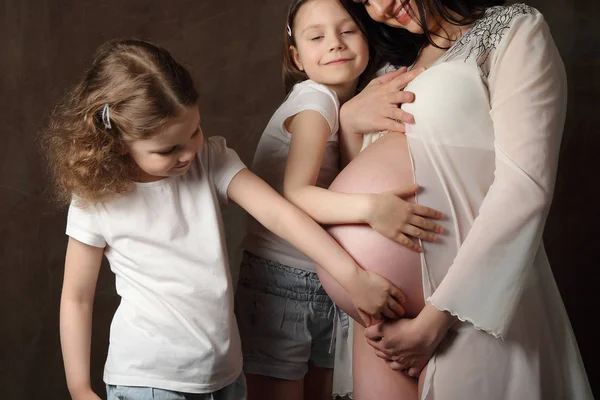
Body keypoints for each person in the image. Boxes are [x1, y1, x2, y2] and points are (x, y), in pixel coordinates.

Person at [42, 38, 408, 400]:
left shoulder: (211, 159)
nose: (188, 153)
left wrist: (353, 277)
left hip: (225, 376)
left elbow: (280, 215)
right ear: (119, 142)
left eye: (194, 132)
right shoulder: (96, 198)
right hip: (147, 379)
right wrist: (78, 387)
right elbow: (76, 297)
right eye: (168, 149)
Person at [316, 0, 595, 398]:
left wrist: (434, 321)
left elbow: (525, 188)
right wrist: (349, 123)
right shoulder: (390, 67)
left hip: (464, 314)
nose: (379, 7)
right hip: (379, 324)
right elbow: (355, 180)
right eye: (363, 1)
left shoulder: (512, 30)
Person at [235, 1, 445, 400]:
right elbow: (296, 193)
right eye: (317, 37)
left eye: (347, 31)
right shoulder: (315, 101)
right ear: (297, 56)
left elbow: (347, 174)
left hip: (322, 280)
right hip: (282, 281)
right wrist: (374, 208)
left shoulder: (348, 99)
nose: (334, 44)